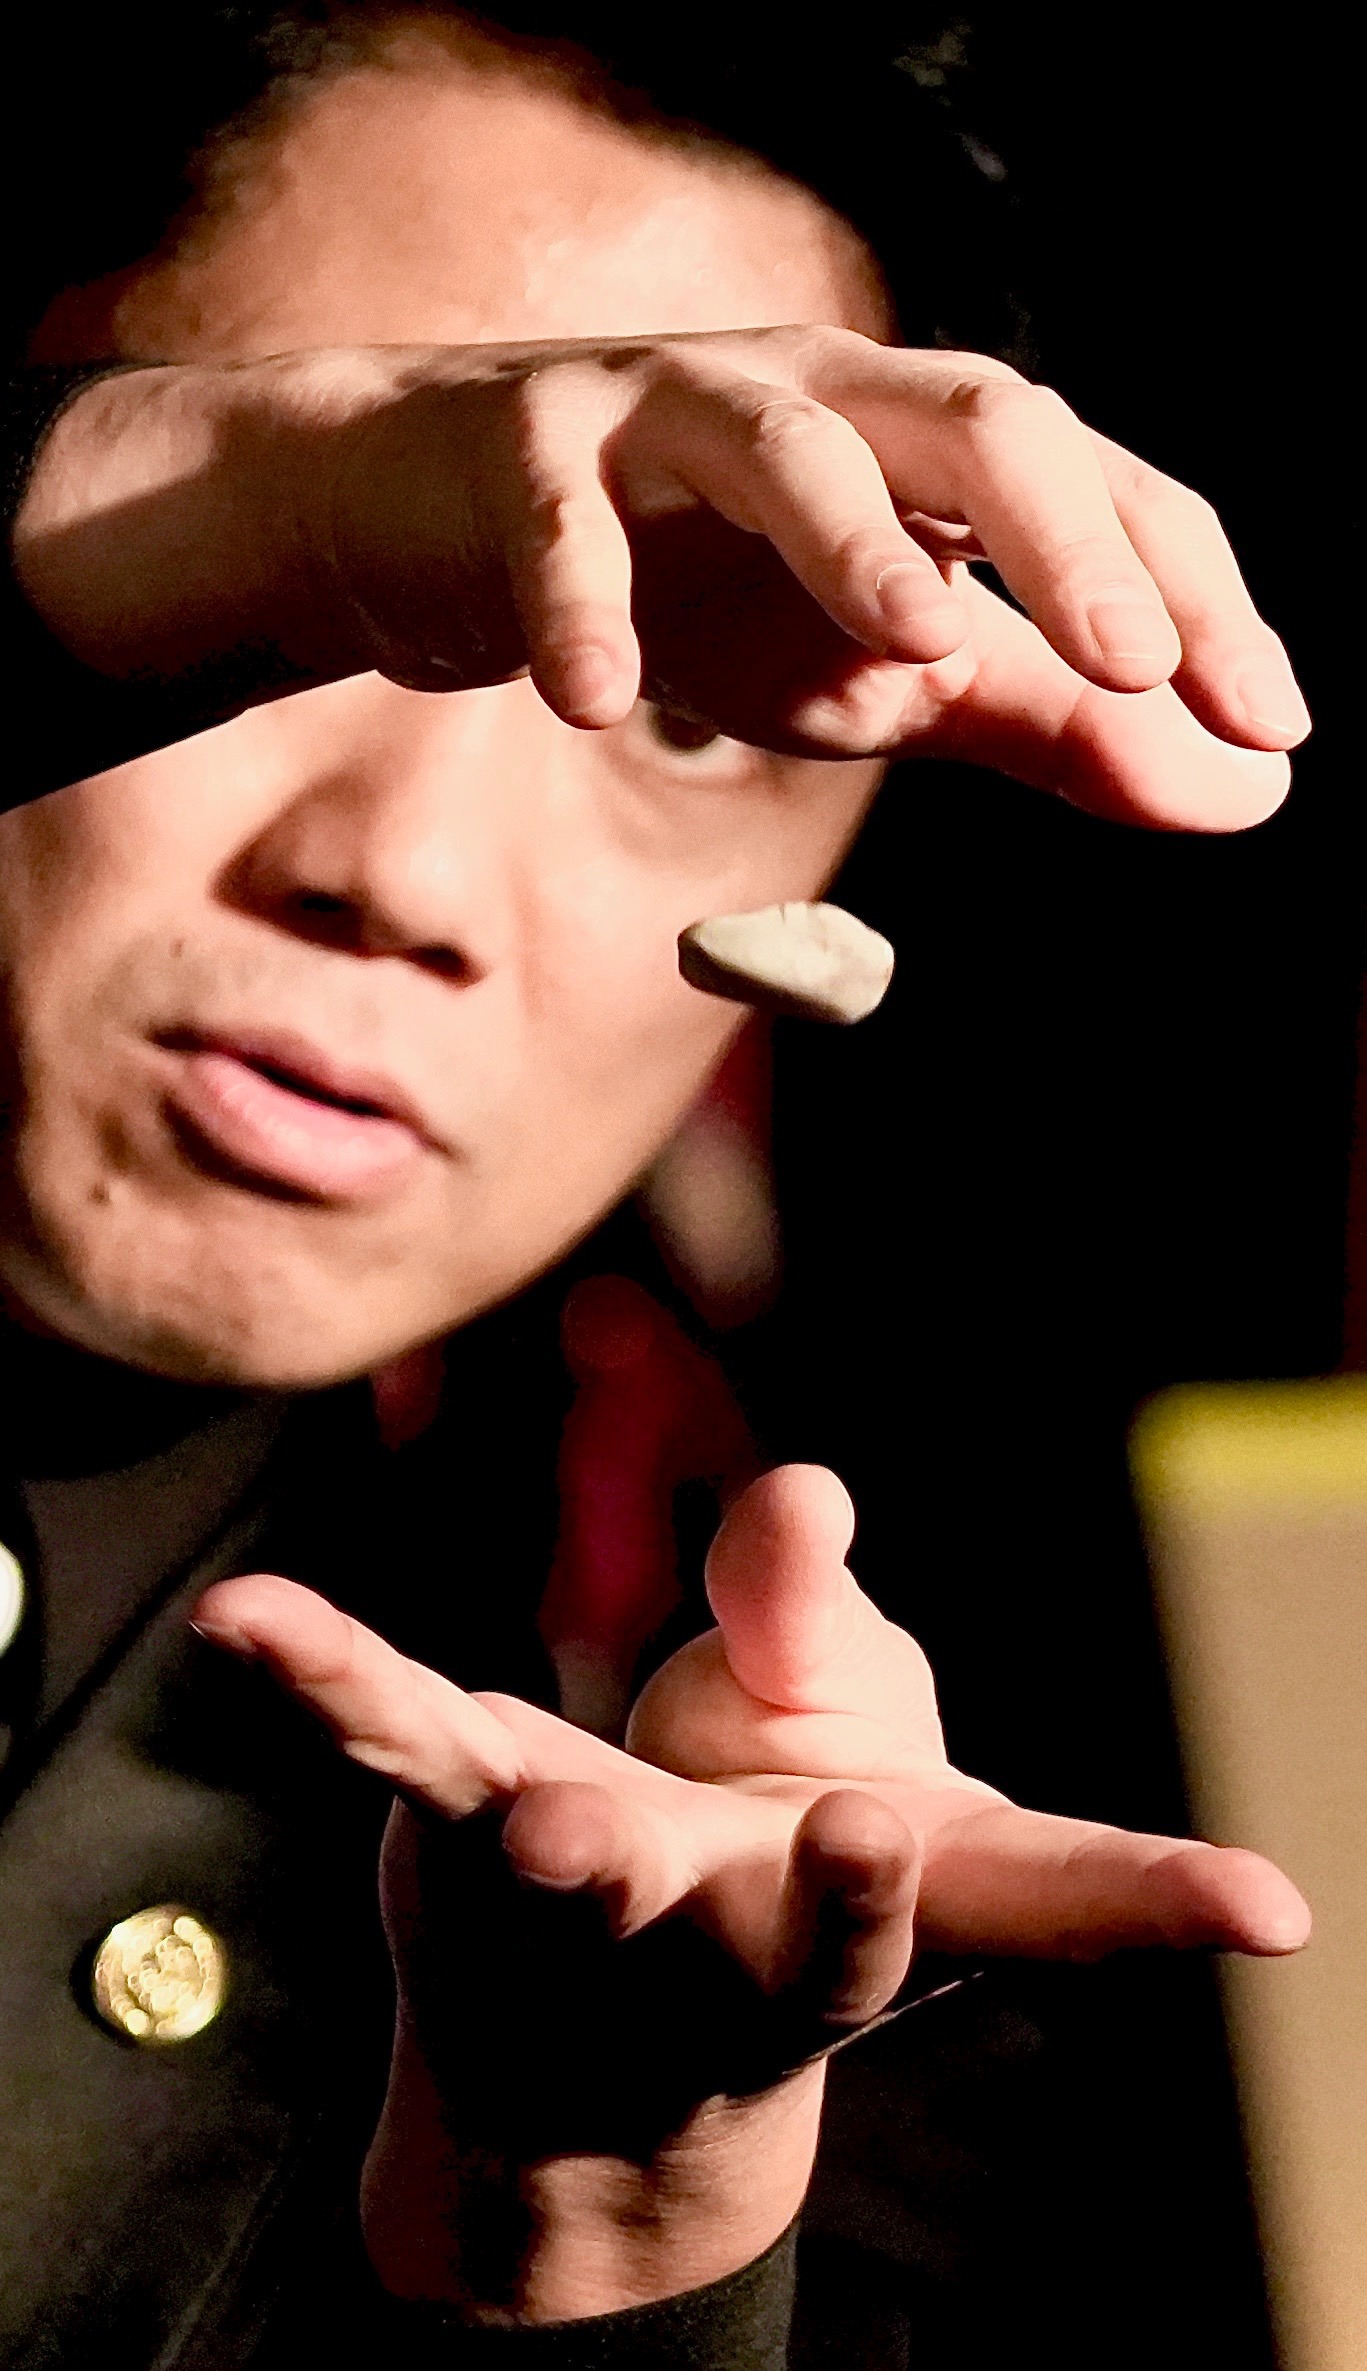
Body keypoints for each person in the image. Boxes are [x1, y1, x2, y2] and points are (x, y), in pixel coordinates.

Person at [0, 8, 1312, 2364]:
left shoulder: (735, 1866)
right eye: (328, 579)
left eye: (684, 704)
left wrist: (588, 2260)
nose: (403, 876)